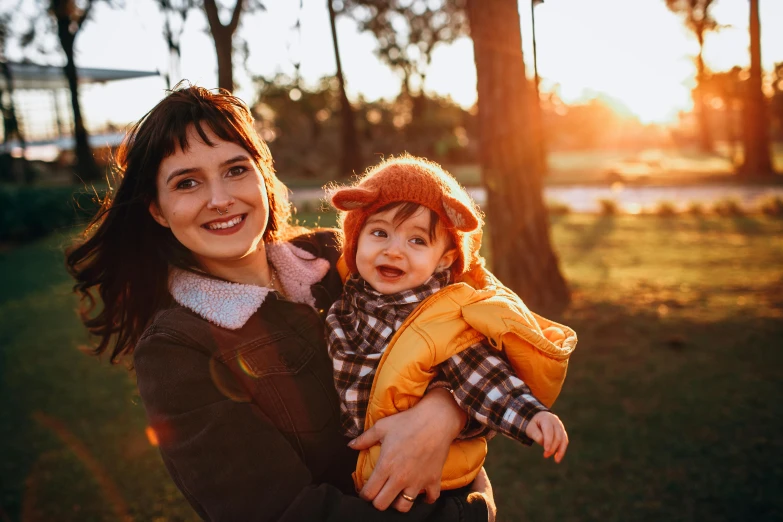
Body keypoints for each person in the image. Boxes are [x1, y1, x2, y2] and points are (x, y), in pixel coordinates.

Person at [66, 86, 495, 522]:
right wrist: (467, 516)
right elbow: (286, 513)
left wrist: (446, 410)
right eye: (188, 182)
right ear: (158, 210)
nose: (220, 199)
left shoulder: (337, 257)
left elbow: (485, 320)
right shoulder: (176, 350)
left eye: (235, 170)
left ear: (262, 175)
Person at [325, 155, 577, 493]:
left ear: (444, 259)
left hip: (421, 473)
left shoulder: (442, 316)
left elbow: (483, 376)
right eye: (380, 233)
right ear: (356, 241)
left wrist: (531, 416)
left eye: (417, 240)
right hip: (357, 466)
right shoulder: (346, 303)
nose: (394, 251)